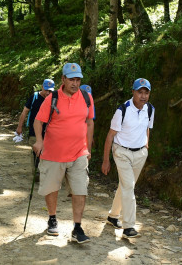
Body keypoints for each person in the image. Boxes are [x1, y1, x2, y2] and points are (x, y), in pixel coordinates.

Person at [32, 63, 94, 244]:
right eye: (71, 79)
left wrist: (88, 148)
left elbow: (89, 123)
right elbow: (38, 122)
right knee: (52, 188)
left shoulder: (86, 97)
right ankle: (52, 218)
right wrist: (39, 141)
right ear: (63, 79)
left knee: (80, 190)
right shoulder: (52, 98)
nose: (75, 83)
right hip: (53, 153)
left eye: (78, 79)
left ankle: (77, 227)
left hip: (78, 153)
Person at [101, 78, 155, 239]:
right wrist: (106, 160)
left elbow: (147, 128)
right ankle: (129, 227)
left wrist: (146, 146)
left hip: (140, 154)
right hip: (122, 152)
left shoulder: (150, 109)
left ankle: (113, 215)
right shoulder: (122, 110)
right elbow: (110, 136)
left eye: (146, 92)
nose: (143, 96)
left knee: (125, 186)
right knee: (129, 187)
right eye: (140, 92)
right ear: (133, 92)